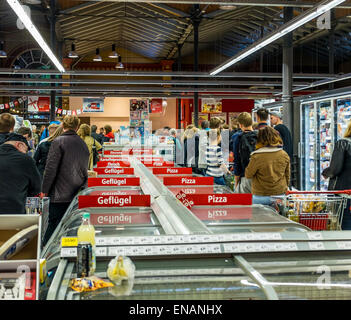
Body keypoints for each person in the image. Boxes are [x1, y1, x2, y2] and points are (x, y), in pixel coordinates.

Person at [42, 115, 90, 246]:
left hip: (59, 193)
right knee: (69, 228)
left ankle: (45, 257)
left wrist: (44, 190)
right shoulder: (83, 144)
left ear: (63, 126)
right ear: (77, 127)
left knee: (53, 227)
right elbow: (85, 170)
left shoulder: (58, 141)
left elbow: (50, 169)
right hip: (75, 194)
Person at [245, 126, 290, 205]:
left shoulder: (256, 156)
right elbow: (287, 175)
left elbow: (248, 175)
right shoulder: (284, 154)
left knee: (259, 216)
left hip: (260, 195)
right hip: (279, 194)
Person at [0, 133, 41, 214]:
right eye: (25, 150)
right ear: (19, 144)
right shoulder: (26, 160)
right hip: (14, 212)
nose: (25, 153)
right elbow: (36, 188)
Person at [322, 121, 351, 229]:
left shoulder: (343, 143)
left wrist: (325, 172)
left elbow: (335, 169)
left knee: (345, 227)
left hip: (345, 195)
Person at [233, 112, 257, 193]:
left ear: (240, 125)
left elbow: (237, 161)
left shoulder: (238, 138)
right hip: (260, 177)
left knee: (244, 203)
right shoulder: (260, 136)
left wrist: (236, 180)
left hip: (245, 177)